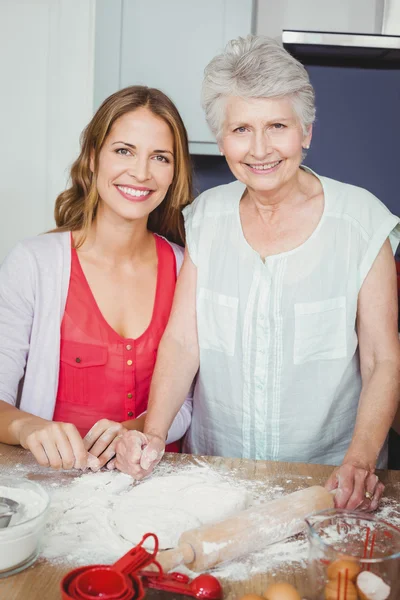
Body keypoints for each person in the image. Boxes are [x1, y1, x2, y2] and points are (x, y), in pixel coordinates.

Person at [115, 36, 400, 511]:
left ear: (305, 132)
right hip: (216, 477)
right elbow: (185, 341)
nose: (260, 148)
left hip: (325, 484)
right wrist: (154, 433)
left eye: (278, 126)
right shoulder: (205, 217)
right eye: (241, 129)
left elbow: (382, 361)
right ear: (221, 138)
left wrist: (359, 460)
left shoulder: (363, 223)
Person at [0, 86, 193, 471]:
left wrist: (138, 431)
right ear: (92, 158)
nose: (141, 172)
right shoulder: (34, 264)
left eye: (160, 157)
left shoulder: (186, 267)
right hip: (50, 486)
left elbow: (188, 403)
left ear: (174, 173)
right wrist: (28, 427)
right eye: (124, 150)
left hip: (158, 490)